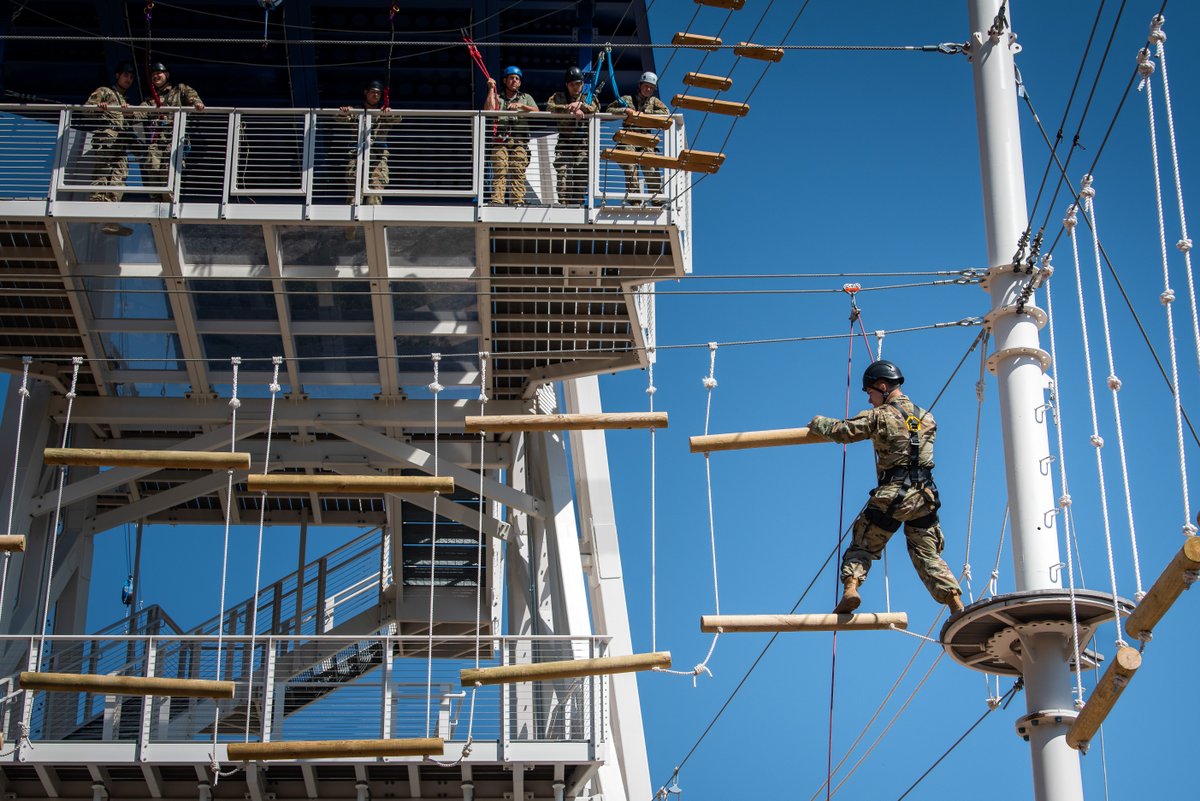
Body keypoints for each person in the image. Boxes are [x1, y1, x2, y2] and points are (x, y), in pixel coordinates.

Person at [808, 360, 965, 615]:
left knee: (862, 545)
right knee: (927, 555)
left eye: (870, 393)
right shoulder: (927, 416)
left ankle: (851, 589)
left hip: (894, 494)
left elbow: (844, 431)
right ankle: (954, 603)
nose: (870, 400)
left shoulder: (880, 416)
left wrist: (818, 423)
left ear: (882, 386)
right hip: (924, 496)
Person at [140, 62, 204, 201]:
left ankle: (168, 203)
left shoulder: (178, 90)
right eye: (153, 75)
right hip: (157, 140)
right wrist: (127, 111)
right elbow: (139, 112)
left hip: (173, 138)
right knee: (152, 166)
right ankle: (156, 201)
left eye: (159, 73)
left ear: (167, 75)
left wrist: (196, 104)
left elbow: (192, 97)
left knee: (168, 171)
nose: (156, 76)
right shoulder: (150, 99)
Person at [606, 71, 670, 204]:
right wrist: (625, 111)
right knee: (630, 165)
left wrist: (646, 114)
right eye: (646, 86)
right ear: (640, 85)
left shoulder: (653, 102)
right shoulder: (627, 100)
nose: (648, 89)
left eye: (651, 87)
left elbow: (666, 113)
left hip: (645, 140)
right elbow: (609, 110)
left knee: (651, 168)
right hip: (628, 138)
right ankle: (635, 199)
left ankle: (656, 199)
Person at [485, 66, 538, 206]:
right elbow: (489, 110)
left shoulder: (525, 98)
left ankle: (518, 200)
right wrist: (491, 89)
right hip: (500, 139)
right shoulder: (498, 97)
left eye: (517, 79)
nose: (514, 81)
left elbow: (536, 111)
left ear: (520, 82)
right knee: (500, 167)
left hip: (519, 140)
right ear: (505, 80)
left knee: (517, 168)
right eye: (511, 78)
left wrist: (521, 106)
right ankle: (497, 200)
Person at [546, 66, 598, 206]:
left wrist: (581, 106)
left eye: (578, 84)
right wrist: (570, 109)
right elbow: (550, 107)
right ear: (567, 85)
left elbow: (595, 108)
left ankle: (578, 205)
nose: (576, 87)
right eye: (572, 84)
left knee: (581, 175)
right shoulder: (559, 97)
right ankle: (563, 204)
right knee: (563, 173)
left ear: (582, 84)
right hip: (565, 142)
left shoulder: (588, 98)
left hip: (582, 143)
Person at [85, 61, 136, 204]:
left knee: (121, 171)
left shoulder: (125, 100)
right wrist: (99, 107)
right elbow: (87, 109)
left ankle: (111, 202)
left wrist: (129, 113)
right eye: (126, 75)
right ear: (117, 76)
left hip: (121, 140)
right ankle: (96, 201)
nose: (129, 79)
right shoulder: (105, 91)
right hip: (107, 137)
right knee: (104, 169)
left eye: (131, 77)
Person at [340, 79, 396, 205]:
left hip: (378, 159)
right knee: (354, 195)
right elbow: (339, 117)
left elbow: (396, 119)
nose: (375, 95)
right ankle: (352, 224)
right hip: (357, 157)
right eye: (372, 92)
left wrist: (389, 112)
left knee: (375, 196)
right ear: (366, 93)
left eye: (378, 93)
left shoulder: (383, 113)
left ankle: (373, 223)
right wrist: (345, 111)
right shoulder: (357, 111)